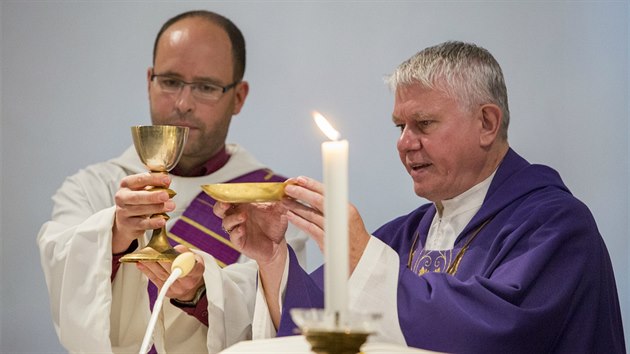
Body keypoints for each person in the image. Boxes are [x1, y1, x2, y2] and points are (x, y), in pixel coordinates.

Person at [214, 41, 626, 353]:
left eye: (423, 123)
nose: (405, 143)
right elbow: (315, 329)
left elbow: (493, 336)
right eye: (399, 127)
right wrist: (272, 258)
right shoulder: (405, 235)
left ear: (486, 122)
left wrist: (360, 255)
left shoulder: (555, 227)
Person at [37, 10, 307, 353]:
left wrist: (199, 292)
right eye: (170, 81)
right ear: (150, 80)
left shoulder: (269, 200)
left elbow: (280, 322)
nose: (182, 104)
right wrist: (114, 236)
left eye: (206, 87)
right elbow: (66, 277)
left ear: (238, 97)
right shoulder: (92, 188)